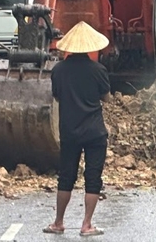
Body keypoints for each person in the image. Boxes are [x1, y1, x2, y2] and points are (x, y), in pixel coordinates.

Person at [43, 21, 111, 237]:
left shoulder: (59, 70)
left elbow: (56, 96)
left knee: (66, 176)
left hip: (69, 130)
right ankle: (86, 224)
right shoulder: (98, 70)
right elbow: (106, 98)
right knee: (93, 177)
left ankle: (59, 222)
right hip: (94, 132)